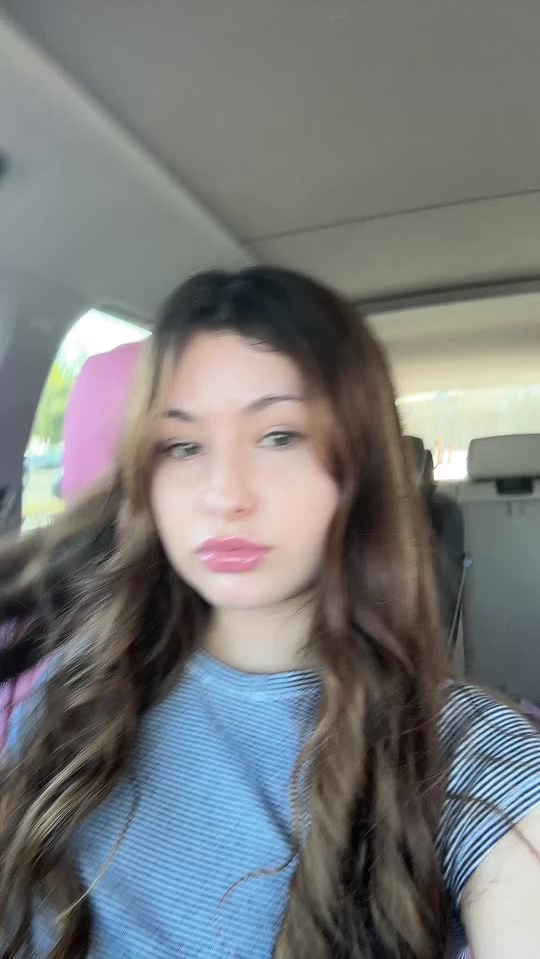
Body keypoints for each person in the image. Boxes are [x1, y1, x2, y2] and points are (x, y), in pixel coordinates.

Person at [0, 268, 539, 959]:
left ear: (362, 469)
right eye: (182, 446)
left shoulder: (464, 753)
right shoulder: (79, 681)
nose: (224, 494)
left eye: (281, 435)